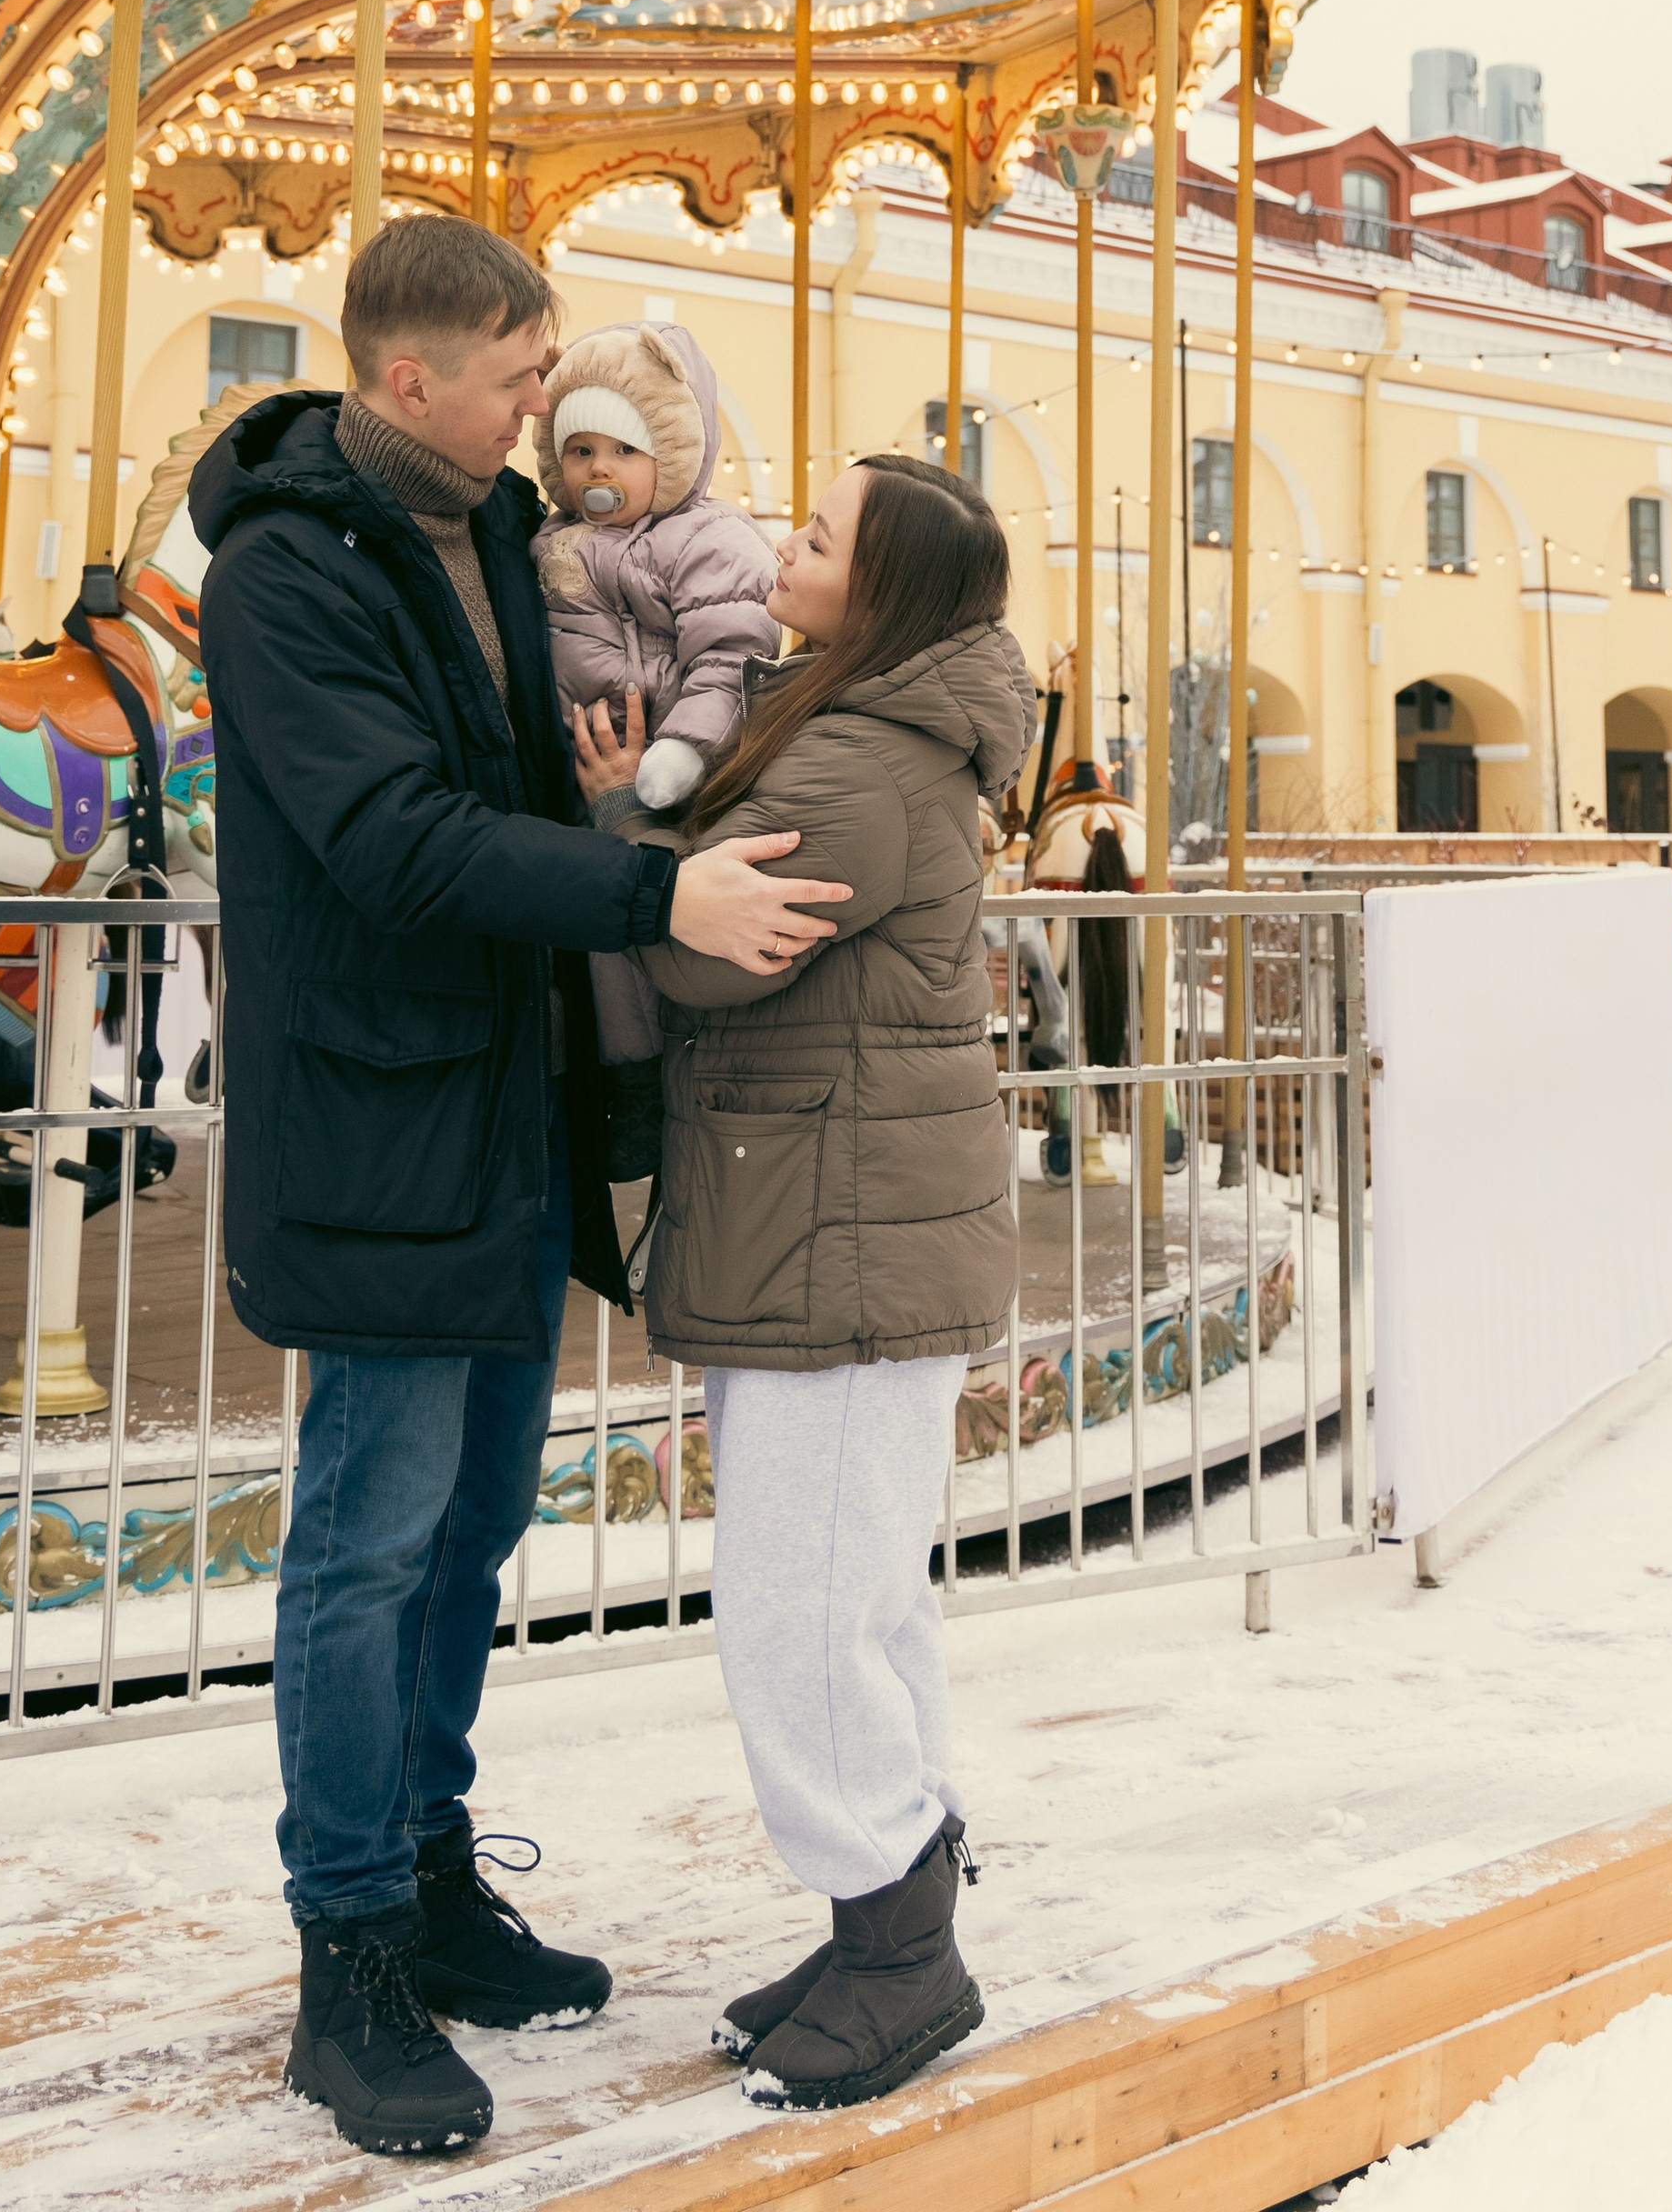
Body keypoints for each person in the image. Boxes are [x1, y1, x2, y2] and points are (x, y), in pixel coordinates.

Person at [192, 215, 853, 2162]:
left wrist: (610, 786)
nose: (540, 405)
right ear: (410, 380)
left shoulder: (485, 531)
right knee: (366, 1541)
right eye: (511, 374)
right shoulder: (288, 577)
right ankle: (348, 1954)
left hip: (496, 1101)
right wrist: (653, 892)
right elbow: (394, 839)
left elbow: (498, 788)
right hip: (382, 1114)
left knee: (470, 1528)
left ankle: (429, 1870)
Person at [573, 452, 1038, 2112]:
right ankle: (879, 1918)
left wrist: (627, 838)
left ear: (887, 591)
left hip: (835, 1224)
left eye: (822, 538)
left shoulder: (854, 761)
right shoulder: (845, 723)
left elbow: (706, 948)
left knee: (797, 1610)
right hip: (825, 1210)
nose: (787, 546)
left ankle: (904, 1952)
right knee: (854, 1592)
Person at [530, 320, 780, 1166]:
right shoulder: (544, 544)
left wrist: (681, 750)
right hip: (587, 776)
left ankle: (684, 1087)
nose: (599, 469)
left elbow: (733, 655)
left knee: (666, 933)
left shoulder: (706, 538)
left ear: (669, 454)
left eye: (625, 449)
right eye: (581, 449)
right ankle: (626, 1095)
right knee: (605, 949)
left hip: (684, 772)